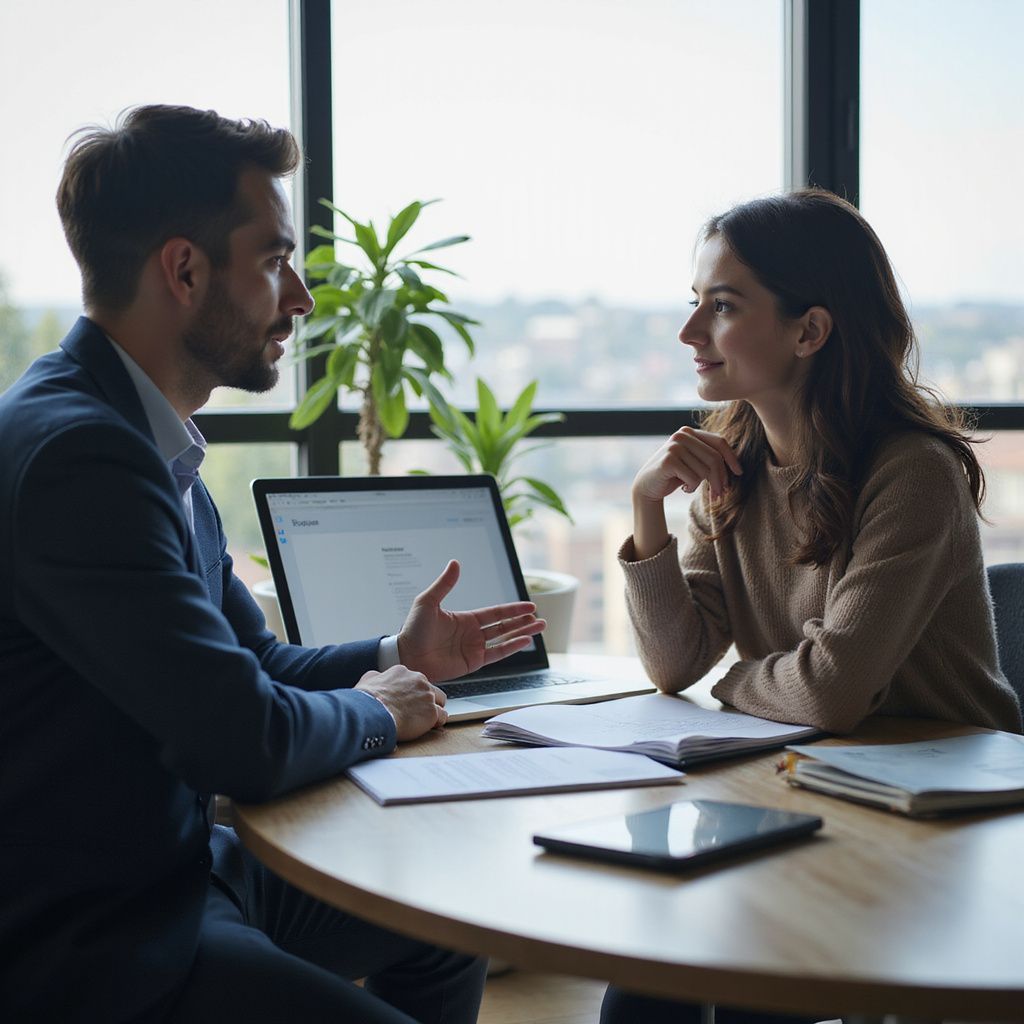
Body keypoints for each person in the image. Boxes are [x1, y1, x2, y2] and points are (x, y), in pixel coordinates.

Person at [0, 104, 544, 1024]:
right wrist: (376, 712)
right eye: (274, 260)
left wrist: (392, 656)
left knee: (448, 916)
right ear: (184, 269)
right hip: (92, 941)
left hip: (178, 880)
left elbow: (251, 669)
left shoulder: (141, 437)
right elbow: (240, 741)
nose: (300, 296)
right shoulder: (80, 459)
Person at [603, 188, 1021, 1024]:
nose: (690, 335)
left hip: (949, 816)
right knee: (651, 974)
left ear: (809, 330)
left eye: (721, 307)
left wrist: (735, 683)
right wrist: (648, 507)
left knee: (748, 976)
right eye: (695, 305)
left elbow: (830, 692)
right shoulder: (734, 469)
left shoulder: (913, 472)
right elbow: (676, 660)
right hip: (815, 788)